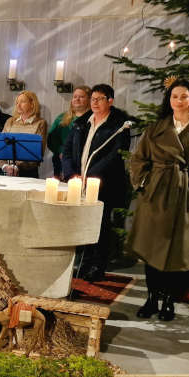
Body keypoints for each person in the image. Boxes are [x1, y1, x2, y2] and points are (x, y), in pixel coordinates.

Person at [127, 79, 189, 321]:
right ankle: (151, 298)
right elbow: (138, 159)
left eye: (184, 96)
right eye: (174, 96)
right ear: (168, 100)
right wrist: (146, 183)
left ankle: (169, 300)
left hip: (184, 198)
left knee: (177, 253)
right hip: (155, 196)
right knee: (151, 249)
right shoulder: (156, 128)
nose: (179, 101)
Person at [62, 84, 131, 282]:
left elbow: (115, 156)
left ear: (110, 101)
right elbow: (67, 151)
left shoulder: (118, 126)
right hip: (78, 181)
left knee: (100, 225)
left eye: (100, 99)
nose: (94, 102)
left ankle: (97, 266)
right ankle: (83, 263)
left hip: (102, 184)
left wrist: (90, 175)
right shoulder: (81, 123)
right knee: (81, 223)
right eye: (93, 98)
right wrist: (71, 174)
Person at [0, 91, 47, 178]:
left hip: (28, 173)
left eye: (22, 102)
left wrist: (17, 166)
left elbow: (38, 152)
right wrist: (5, 166)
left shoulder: (40, 123)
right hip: (8, 171)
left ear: (32, 104)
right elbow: (0, 147)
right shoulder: (10, 121)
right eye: (17, 102)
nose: (18, 105)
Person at [48, 86, 91, 177]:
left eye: (81, 97)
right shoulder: (62, 118)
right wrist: (60, 151)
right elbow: (52, 139)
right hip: (62, 160)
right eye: (75, 97)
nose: (77, 99)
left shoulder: (93, 118)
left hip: (85, 160)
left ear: (89, 99)